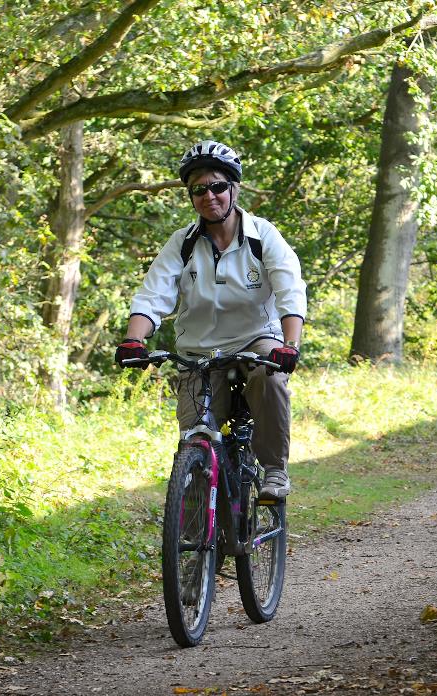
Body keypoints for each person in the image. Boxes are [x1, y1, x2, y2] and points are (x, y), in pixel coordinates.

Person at [114, 140, 307, 499]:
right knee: (194, 445)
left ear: (234, 188)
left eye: (218, 186)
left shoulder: (262, 236)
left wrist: (289, 345)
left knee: (270, 377)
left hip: (256, 340)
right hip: (199, 351)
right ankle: (192, 548)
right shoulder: (182, 243)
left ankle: (275, 471)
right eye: (198, 189)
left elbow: (289, 289)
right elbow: (154, 294)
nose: (209, 196)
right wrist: (134, 340)